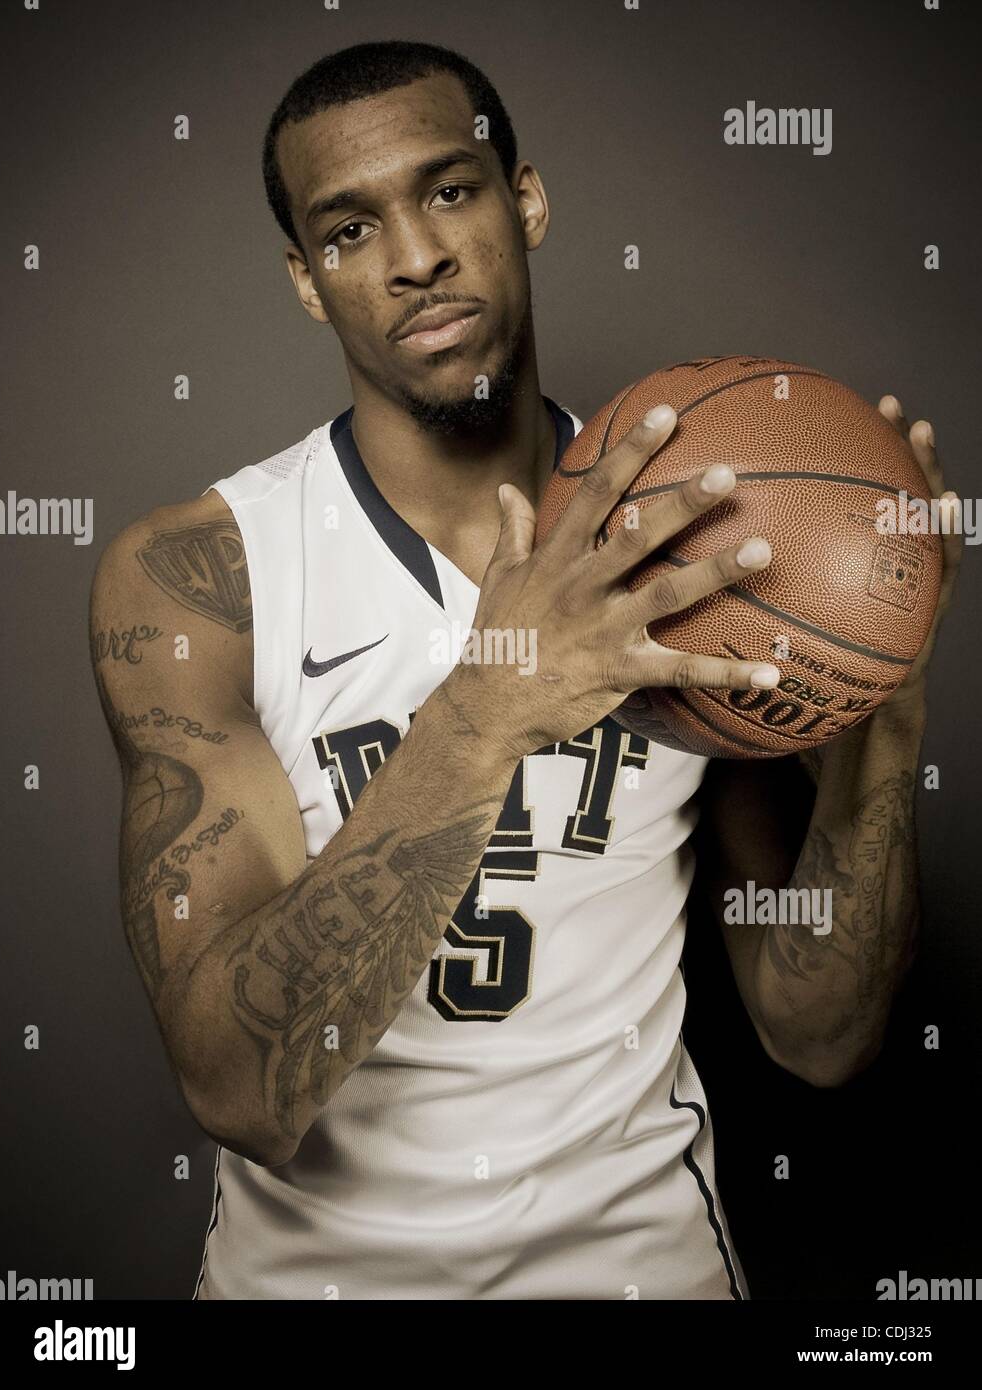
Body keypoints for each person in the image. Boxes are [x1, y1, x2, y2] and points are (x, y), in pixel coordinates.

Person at [89, 40, 960, 1300]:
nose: (413, 254)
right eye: (348, 228)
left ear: (527, 202)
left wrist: (886, 692)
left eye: (450, 191)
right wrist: (490, 703)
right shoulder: (196, 581)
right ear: (304, 279)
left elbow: (814, 1031)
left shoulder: (690, 540)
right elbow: (237, 1083)